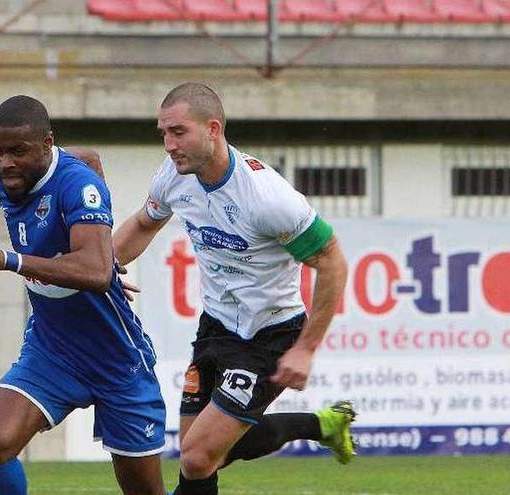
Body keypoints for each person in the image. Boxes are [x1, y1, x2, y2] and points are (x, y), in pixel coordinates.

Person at [112, 82, 354, 495]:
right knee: (200, 454)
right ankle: (323, 424)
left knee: (197, 457)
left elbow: (331, 261)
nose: (169, 144)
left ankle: (322, 424)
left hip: (271, 335)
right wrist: (102, 268)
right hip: (216, 328)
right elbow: (143, 224)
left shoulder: (266, 197)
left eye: (178, 132)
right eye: (163, 134)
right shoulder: (174, 177)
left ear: (213, 129)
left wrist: (305, 348)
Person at [0, 95, 166, 495]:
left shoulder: (77, 186)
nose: (5, 163)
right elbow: (90, 157)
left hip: (115, 357)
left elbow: (96, 274)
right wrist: (98, 248)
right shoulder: (9, 182)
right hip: (52, 349)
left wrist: (10, 260)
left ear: (48, 143)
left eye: (18, 151)